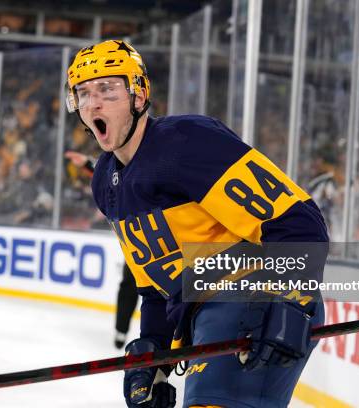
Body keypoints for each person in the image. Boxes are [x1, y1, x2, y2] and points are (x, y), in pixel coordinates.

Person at [65, 40, 328, 408]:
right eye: (83, 92)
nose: (94, 102)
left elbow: (299, 222)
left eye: (107, 88)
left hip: (256, 295)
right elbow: (156, 288)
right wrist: (154, 355)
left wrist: (291, 301)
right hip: (204, 313)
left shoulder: (188, 142)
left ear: (139, 95)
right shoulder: (105, 181)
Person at [64, 150, 139, 349]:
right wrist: (88, 163)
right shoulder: (130, 159)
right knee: (129, 286)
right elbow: (109, 171)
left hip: (171, 238)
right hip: (138, 240)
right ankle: (121, 330)